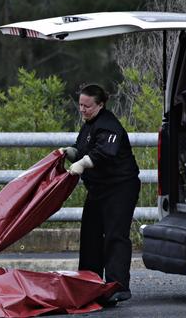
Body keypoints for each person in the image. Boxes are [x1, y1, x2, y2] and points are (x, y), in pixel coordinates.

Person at [60, 84, 140, 306]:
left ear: (101, 105)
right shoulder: (88, 125)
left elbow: (105, 152)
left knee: (115, 235)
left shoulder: (109, 125)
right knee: (90, 234)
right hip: (98, 188)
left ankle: (118, 287)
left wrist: (83, 163)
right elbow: (82, 147)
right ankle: (89, 283)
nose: (83, 110)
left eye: (87, 106)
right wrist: (69, 153)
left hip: (120, 187)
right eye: (80, 106)